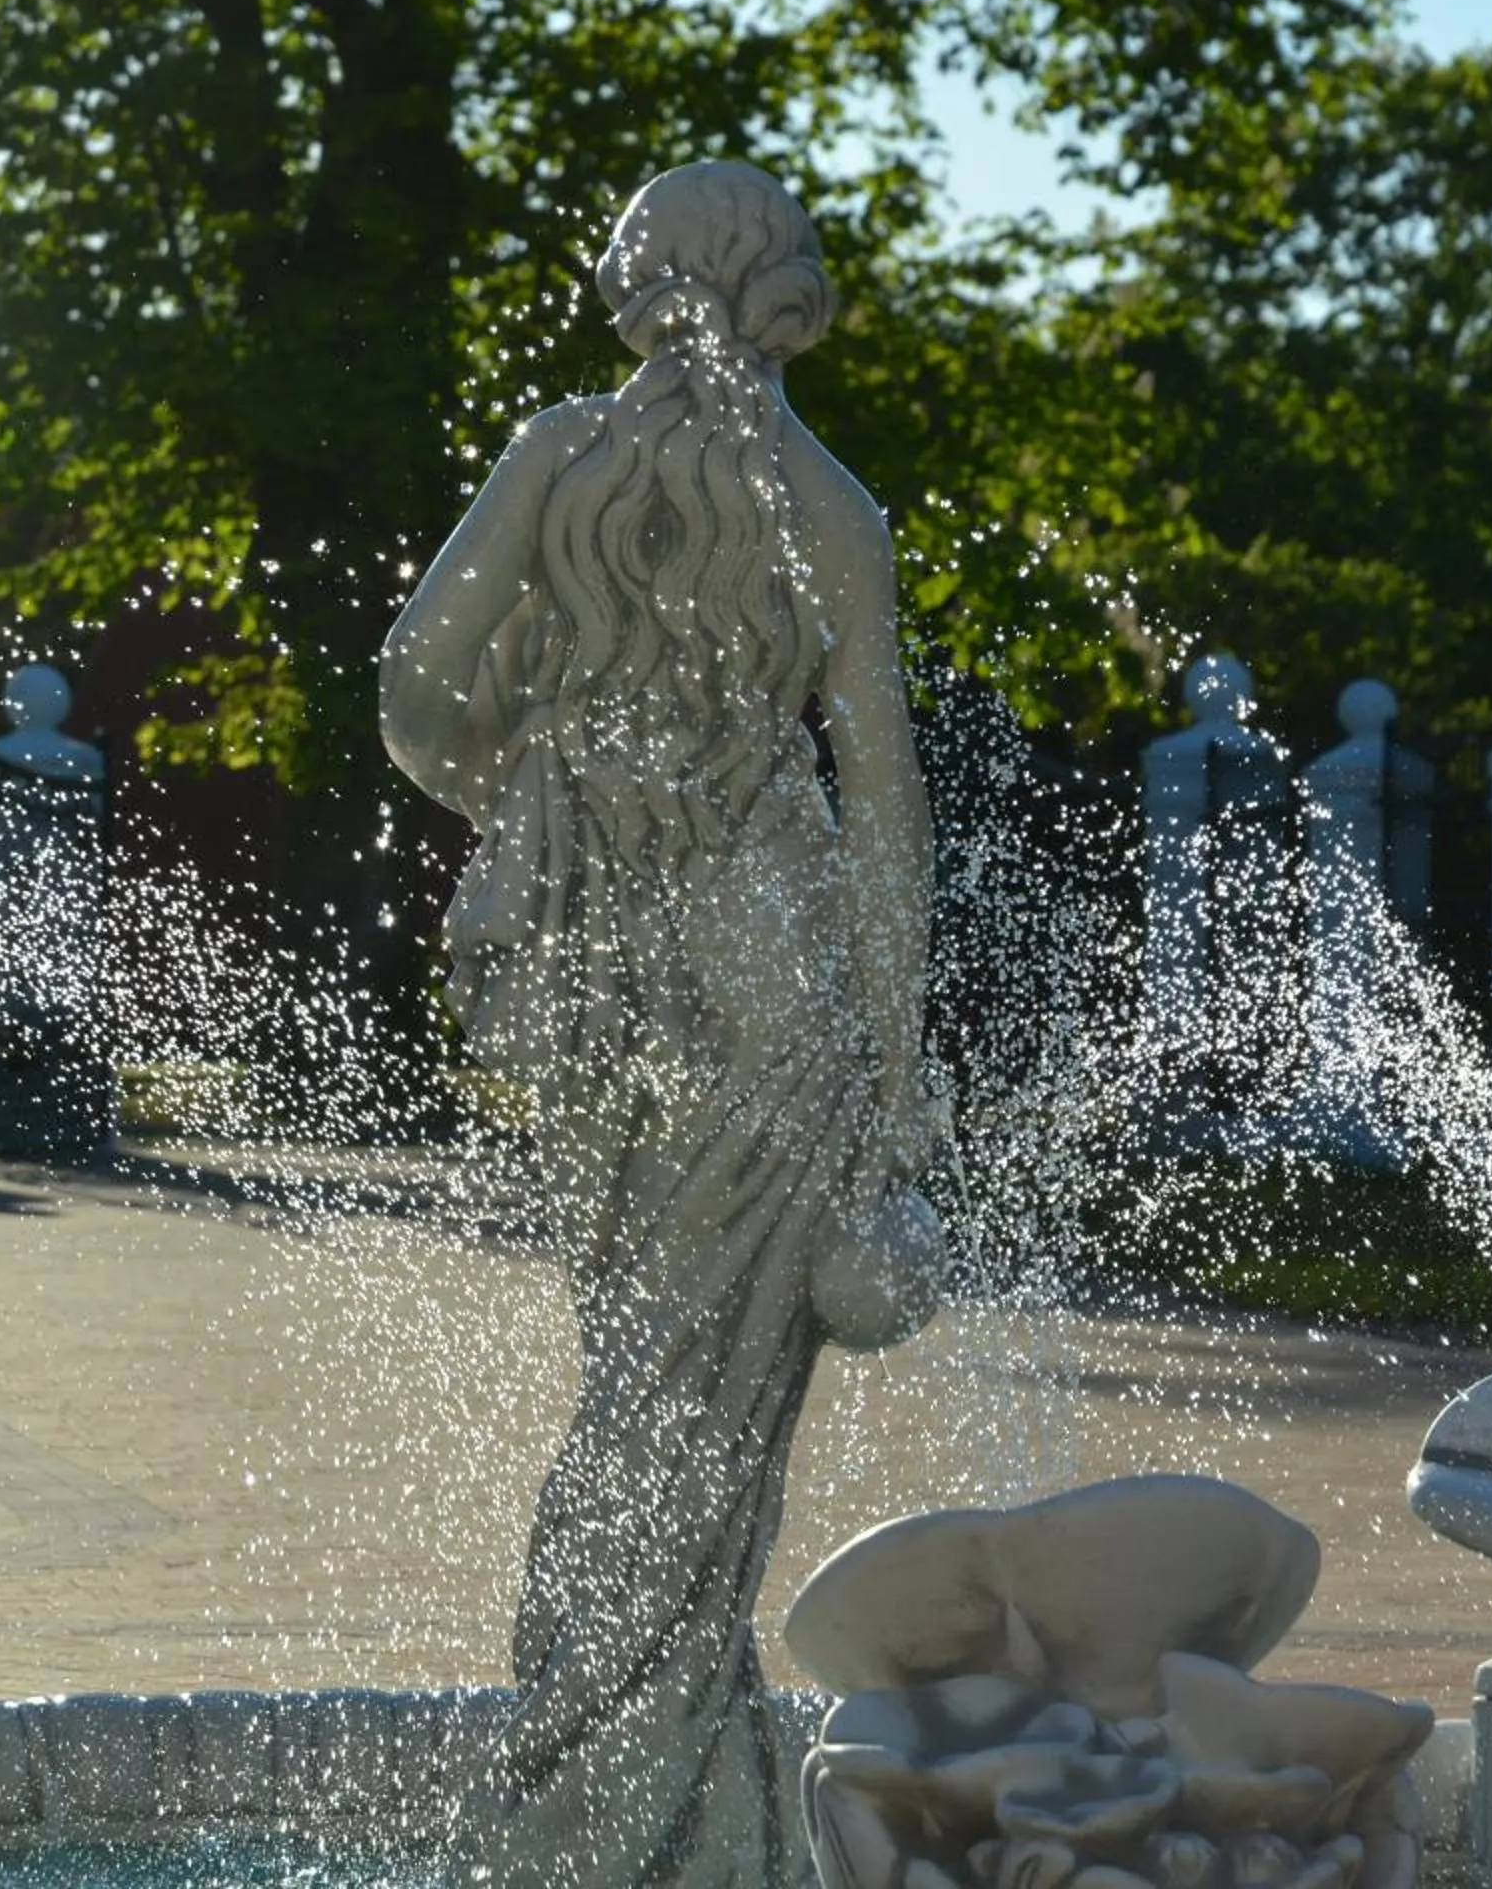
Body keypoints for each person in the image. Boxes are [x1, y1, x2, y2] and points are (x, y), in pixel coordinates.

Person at [381, 160, 947, 1888]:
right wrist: (899, 1069)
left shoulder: (556, 457)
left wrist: (536, 799)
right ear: (787, 294)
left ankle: (620, 1808)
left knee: (633, 1378)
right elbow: (883, 806)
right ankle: (652, 1822)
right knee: (700, 1413)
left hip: (593, 949)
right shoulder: (831, 508)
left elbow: (414, 690)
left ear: (638, 289)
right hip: (775, 961)